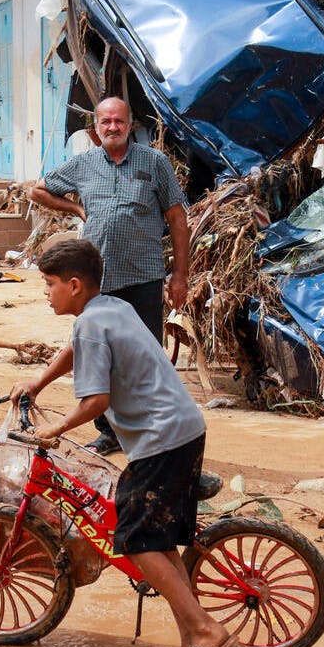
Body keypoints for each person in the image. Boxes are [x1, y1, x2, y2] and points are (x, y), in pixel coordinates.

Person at [10, 239, 233, 647]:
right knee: (160, 544)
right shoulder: (109, 308)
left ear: (74, 285)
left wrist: (55, 430)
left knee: (132, 540)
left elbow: (96, 401)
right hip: (183, 428)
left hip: (160, 439)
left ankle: (208, 632)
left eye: (50, 285)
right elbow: (75, 350)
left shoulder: (92, 325)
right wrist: (38, 382)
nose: (46, 293)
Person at [27, 96, 190, 456]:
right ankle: (109, 431)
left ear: (130, 125)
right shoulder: (82, 165)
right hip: (97, 282)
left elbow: (178, 220)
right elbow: (36, 190)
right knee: (97, 355)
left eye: (119, 121)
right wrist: (75, 207)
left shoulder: (155, 163)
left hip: (143, 275)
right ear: (96, 129)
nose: (113, 127)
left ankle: (152, 429)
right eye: (106, 122)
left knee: (144, 356)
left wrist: (180, 275)